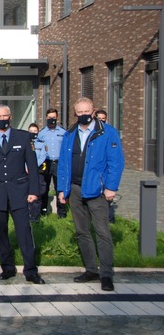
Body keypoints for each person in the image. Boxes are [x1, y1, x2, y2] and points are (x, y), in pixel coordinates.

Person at [58, 98, 124, 292]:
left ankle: (106, 274)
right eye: (79, 112)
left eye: (87, 111)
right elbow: (63, 162)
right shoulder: (70, 133)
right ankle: (90, 269)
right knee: (82, 231)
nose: (84, 115)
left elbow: (116, 162)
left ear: (93, 111)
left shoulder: (107, 132)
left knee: (102, 232)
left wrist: (111, 187)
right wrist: (63, 188)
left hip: (97, 189)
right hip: (76, 188)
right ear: (75, 113)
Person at [0, 104, 45, 284]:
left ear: (10, 116)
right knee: (0, 232)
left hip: (19, 192)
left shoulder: (23, 137)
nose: (1, 120)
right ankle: (7, 267)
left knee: (24, 231)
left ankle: (30, 269)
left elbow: (32, 165)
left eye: (4, 116)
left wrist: (33, 191)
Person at [37, 108, 67, 218]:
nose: (52, 120)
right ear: (46, 118)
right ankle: (43, 211)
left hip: (59, 163)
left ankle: (62, 213)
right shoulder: (42, 133)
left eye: (54, 118)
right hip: (46, 163)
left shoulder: (63, 133)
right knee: (44, 188)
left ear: (57, 117)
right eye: (49, 118)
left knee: (60, 188)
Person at [94, 110, 116, 223]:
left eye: (104, 119)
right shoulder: (93, 132)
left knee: (107, 198)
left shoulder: (110, 132)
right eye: (99, 119)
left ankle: (110, 219)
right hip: (96, 172)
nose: (102, 121)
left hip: (106, 171)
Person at [27, 123, 48, 223]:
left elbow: (42, 157)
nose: (33, 133)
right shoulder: (25, 143)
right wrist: (26, 167)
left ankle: (35, 217)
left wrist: (33, 167)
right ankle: (27, 215)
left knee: (38, 194)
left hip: (37, 172)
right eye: (31, 131)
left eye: (35, 131)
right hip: (26, 172)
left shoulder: (42, 144)